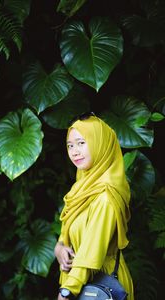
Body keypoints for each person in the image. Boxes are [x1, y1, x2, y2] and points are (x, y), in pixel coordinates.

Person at [54, 113, 134, 300]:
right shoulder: (82, 187)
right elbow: (71, 229)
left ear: (100, 143)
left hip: (101, 288)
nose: (74, 152)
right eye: (70, 145)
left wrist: (67, 291)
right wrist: (59, 247)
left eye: (82, 143)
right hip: (80, 285)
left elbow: (91, 251)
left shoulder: (106, 195)